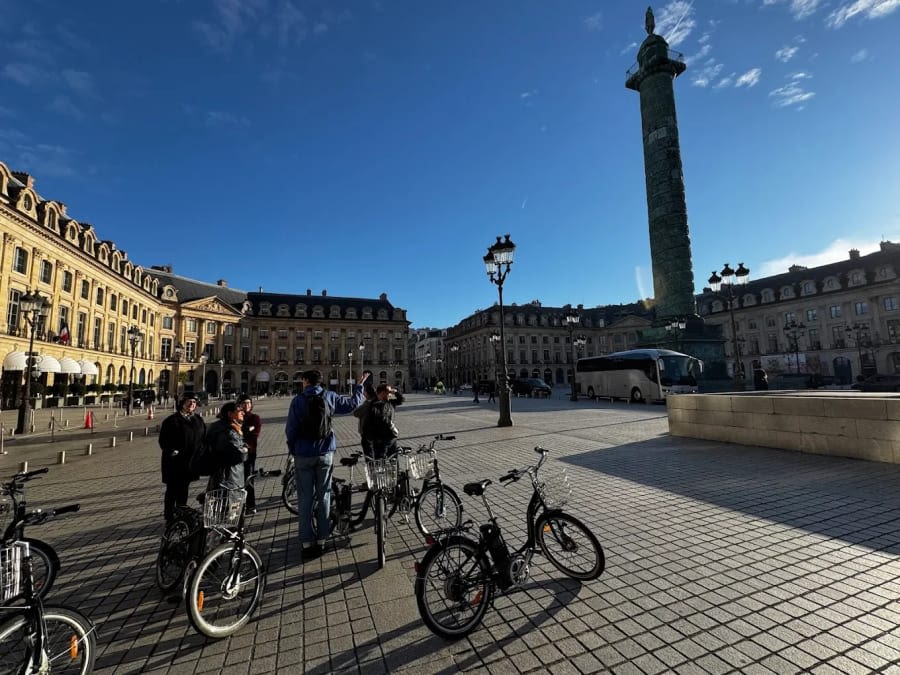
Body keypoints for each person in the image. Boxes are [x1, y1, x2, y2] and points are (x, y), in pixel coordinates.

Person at [286, 369, 369, 561]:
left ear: (306, 381)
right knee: (324, 496)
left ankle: (307, 544)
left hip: (303, 454)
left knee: (305, 499)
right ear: (320, 382)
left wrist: (294, 449)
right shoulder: (329, 396)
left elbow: (290, 429)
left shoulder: (297, 401)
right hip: (325, 453)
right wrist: (359, 387)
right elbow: (352, 405)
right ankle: (322, 540)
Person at [158, 393, 206, 522]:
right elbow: (163, 440)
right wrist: (172, 451)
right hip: (175, 462)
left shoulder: (197, 419)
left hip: (190, 462)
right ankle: (169, 516)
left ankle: (181, 513)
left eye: (194, 402)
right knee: (172, 490)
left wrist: (202, 451)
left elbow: (203, 437)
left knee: (184, 489)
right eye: (189, 401)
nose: (191, 404)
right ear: (182, 403)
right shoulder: (172, 420)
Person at [205, 401, 248, 492]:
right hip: (230, 476)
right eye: (239, 411)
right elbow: (239, 455)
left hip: (220, 474)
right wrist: (245, 449)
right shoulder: (229, 431)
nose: (243, 413)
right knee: (228, 498)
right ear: (230, 414)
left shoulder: (219, 426)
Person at [362, 383, 405, 460]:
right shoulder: (374, 404)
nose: (390, 394)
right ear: (382, 393)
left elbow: (401, 400)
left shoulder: (389, 402)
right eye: (388, 392)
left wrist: (395, 392)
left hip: (391, 437)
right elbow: (381, 418)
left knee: (393, 459)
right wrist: (392, 427)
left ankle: (393, 467)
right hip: (380, 438)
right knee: (381, 460)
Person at [238, 395, 262, 514]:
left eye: (248, 403)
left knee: (248, 479)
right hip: (235, 453)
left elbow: (255, 432)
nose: (246, 405)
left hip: (250, 453)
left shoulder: (255, 418)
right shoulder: (236, 416)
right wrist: (246, 429)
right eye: (244, 403)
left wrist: (243, 430)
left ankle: (251, 505)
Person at [353, 383, 378, 455]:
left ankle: (371, 462)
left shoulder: (368, 403)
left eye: (365, 391)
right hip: (377, 430)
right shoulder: (378, 401)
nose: (364, 393)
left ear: (368, 393)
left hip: (367, 431)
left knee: (369, 453)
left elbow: (356, 413)